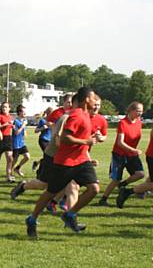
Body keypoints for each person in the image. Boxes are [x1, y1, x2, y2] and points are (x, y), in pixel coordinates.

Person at [25, 87, 99, 239]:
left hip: (81, 161)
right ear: (86, 100)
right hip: (65, 162)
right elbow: (65, 138)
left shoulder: (86, 115)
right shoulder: (76, 115)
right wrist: (86, 140)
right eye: (93, 99)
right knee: (50, 193)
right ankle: (32, 219)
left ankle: (70, 214)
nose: (95, 101)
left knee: (94, 189)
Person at [98, 102, 145, 206]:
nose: (140, 113)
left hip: (132, 154)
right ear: (131, 110)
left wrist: (133, 151)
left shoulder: (139, 122)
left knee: (140, 174)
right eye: (137, 110)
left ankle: (123, 185)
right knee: (116, 179)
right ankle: (103, 199)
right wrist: (133, 150)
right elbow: (120, 142)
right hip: (119, 155)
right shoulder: (123, 123)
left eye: (141, 111)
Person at [11, 105, 31, 178]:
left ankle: (17, 168)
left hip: (22, 143)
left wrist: (24, 131)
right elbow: (16, 133)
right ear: (19, 112)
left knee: (27, 157)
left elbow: (24, 134)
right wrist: (23, 125)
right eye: (23, 111)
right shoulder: (16, 122)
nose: (25, 113)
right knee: (14, 160)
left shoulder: (23, 121)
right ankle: (10, 172)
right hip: (15, 144)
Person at [32, 107, 53, 172]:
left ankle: (37, 163)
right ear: (46, 113)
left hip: (50, 141)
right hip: (43, 140)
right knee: (48, 156)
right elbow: (36, 130)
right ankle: (41, 171)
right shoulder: (42, 121)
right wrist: (42, 128)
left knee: (49, 156)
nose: (51, 114)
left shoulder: (53, 121)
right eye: (49, 112)